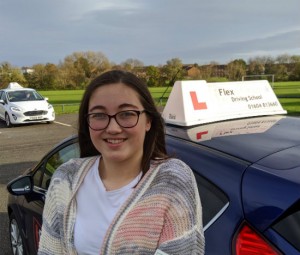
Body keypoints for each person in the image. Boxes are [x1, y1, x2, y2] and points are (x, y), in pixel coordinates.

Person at [38, 70, 205, 255]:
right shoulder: (66, 178)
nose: (113, 128)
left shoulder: (173, 180)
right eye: (99, 115)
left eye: (126, 114)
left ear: (148, 120)